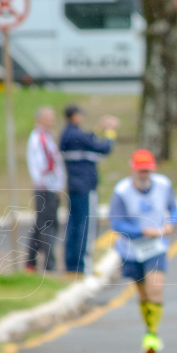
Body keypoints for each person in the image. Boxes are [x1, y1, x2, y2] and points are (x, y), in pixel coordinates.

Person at [108, 150, 177, 353]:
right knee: (144, 294)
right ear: (133, 169)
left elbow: (173, 209)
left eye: (147, 170)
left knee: (155, 289)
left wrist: (170, 224)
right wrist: (141, 231)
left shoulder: (163, 185)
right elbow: (117, 223)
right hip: (131, 250)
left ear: (152, 169)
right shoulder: (121, 191)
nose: (143, 174)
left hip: (156, 248)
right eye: (140, 170)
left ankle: (152, 334)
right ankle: (149, 329)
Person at [60, 105, 119, 274]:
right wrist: (110, 131)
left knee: (73, 224)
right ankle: (83, 265)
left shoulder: (67, 135)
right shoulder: (76, 135)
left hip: (73, 186)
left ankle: (72, 264)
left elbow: (86, 140)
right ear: (76, 117)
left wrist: (98, 129)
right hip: (86, 186)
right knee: (86, 225)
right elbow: (104, 148)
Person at [24, 106, 65, 273]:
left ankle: (30, 262)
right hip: (46, 188)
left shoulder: (46, 137)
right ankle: (49, 264)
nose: (52, 121)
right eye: (49, 117)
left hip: (48, 187)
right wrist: (54, 185)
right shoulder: (40, 138)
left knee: (40, 225)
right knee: (48, 225)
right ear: (39, 119)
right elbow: (47, 165)